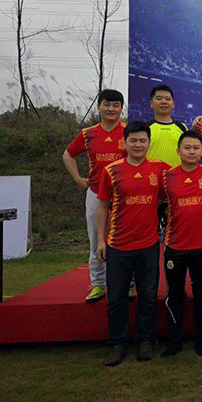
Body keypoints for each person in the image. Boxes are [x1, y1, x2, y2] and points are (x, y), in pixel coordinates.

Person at [95, 122, 166, 366]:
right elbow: (102, 207)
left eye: (142, 140)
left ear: (149, 143)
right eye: (133, 141)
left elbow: (184, 177)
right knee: (116, 297)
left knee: (148, 295)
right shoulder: (111, 171)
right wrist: (101, 240)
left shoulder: (159, 169)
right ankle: (118, 343)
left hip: (148, 244)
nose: (138, 145)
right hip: (118, 244)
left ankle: (145, 340)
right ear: (124, 143)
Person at [160, 130, 202, 357]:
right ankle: (174, 342)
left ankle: (201, 341)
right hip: (174, 247)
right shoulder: (166, 177)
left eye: (196, 148)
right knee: (175, 295)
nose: (191, 152)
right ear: (178, 151)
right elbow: (158, 201)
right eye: (187, 148)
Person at [63, 88, 126, 303]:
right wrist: (78, 179)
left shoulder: (128, 132)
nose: (111, 109)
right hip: (97, 194)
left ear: (121, 108)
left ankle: (129, 284)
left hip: (124, 196)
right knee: (96, 240)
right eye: (107, 104)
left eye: (116, 105)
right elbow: (68, 154)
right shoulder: (87, 133)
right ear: (99, 107)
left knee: (127, 241)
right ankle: (98, 284)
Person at [146, 84, 188, 168]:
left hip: (177, 175)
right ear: (151, 103)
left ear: (173, 104)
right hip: (151, 175)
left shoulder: (182, 128)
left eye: (167, 99)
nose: (164, 102)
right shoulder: (145, 128)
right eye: (159, 98)